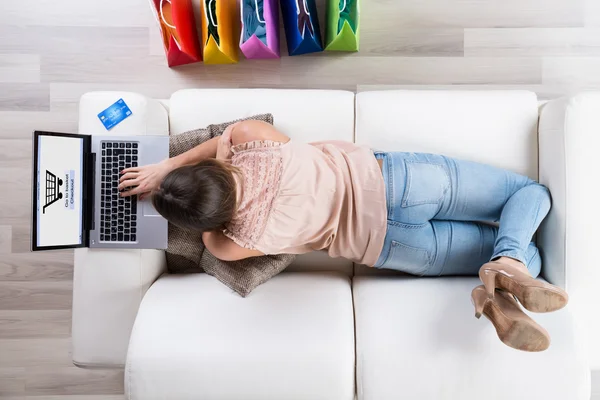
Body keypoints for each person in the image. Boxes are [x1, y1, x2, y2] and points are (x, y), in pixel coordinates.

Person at [119, 120, 568, 352]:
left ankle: (495, 293)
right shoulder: (252, 138)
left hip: (387, 246)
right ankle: (506, 267)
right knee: (529, 195)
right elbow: (218, 142)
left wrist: (199, 217)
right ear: (206, 168)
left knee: (536, 256)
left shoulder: (228, 242)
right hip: (401, 181)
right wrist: (165, 167)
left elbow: (211, 241)